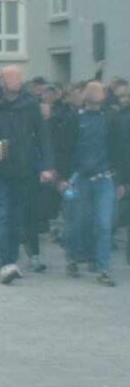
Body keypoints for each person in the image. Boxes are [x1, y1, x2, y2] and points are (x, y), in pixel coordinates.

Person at [0, 65, 55, 285]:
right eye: (11, 78)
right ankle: (5, 263)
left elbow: (43, 136)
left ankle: (11, 259)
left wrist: (47, 166)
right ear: (2, 81)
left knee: (17, 218)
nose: (16, 81)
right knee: (1, 215)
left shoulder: (30, 105)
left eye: (18, 77)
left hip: (24, 169)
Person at [59, 82, 122, 286]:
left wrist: (120, 180)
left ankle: (102, 267)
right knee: (77, 222)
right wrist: (63, 179)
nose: (96, 100)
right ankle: (73, 258)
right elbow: (65, 150)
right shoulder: (74, 119)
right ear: (86, 97)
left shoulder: (110, 119)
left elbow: (119, 150)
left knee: (104, 224)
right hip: (79, 178)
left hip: (104, 178)